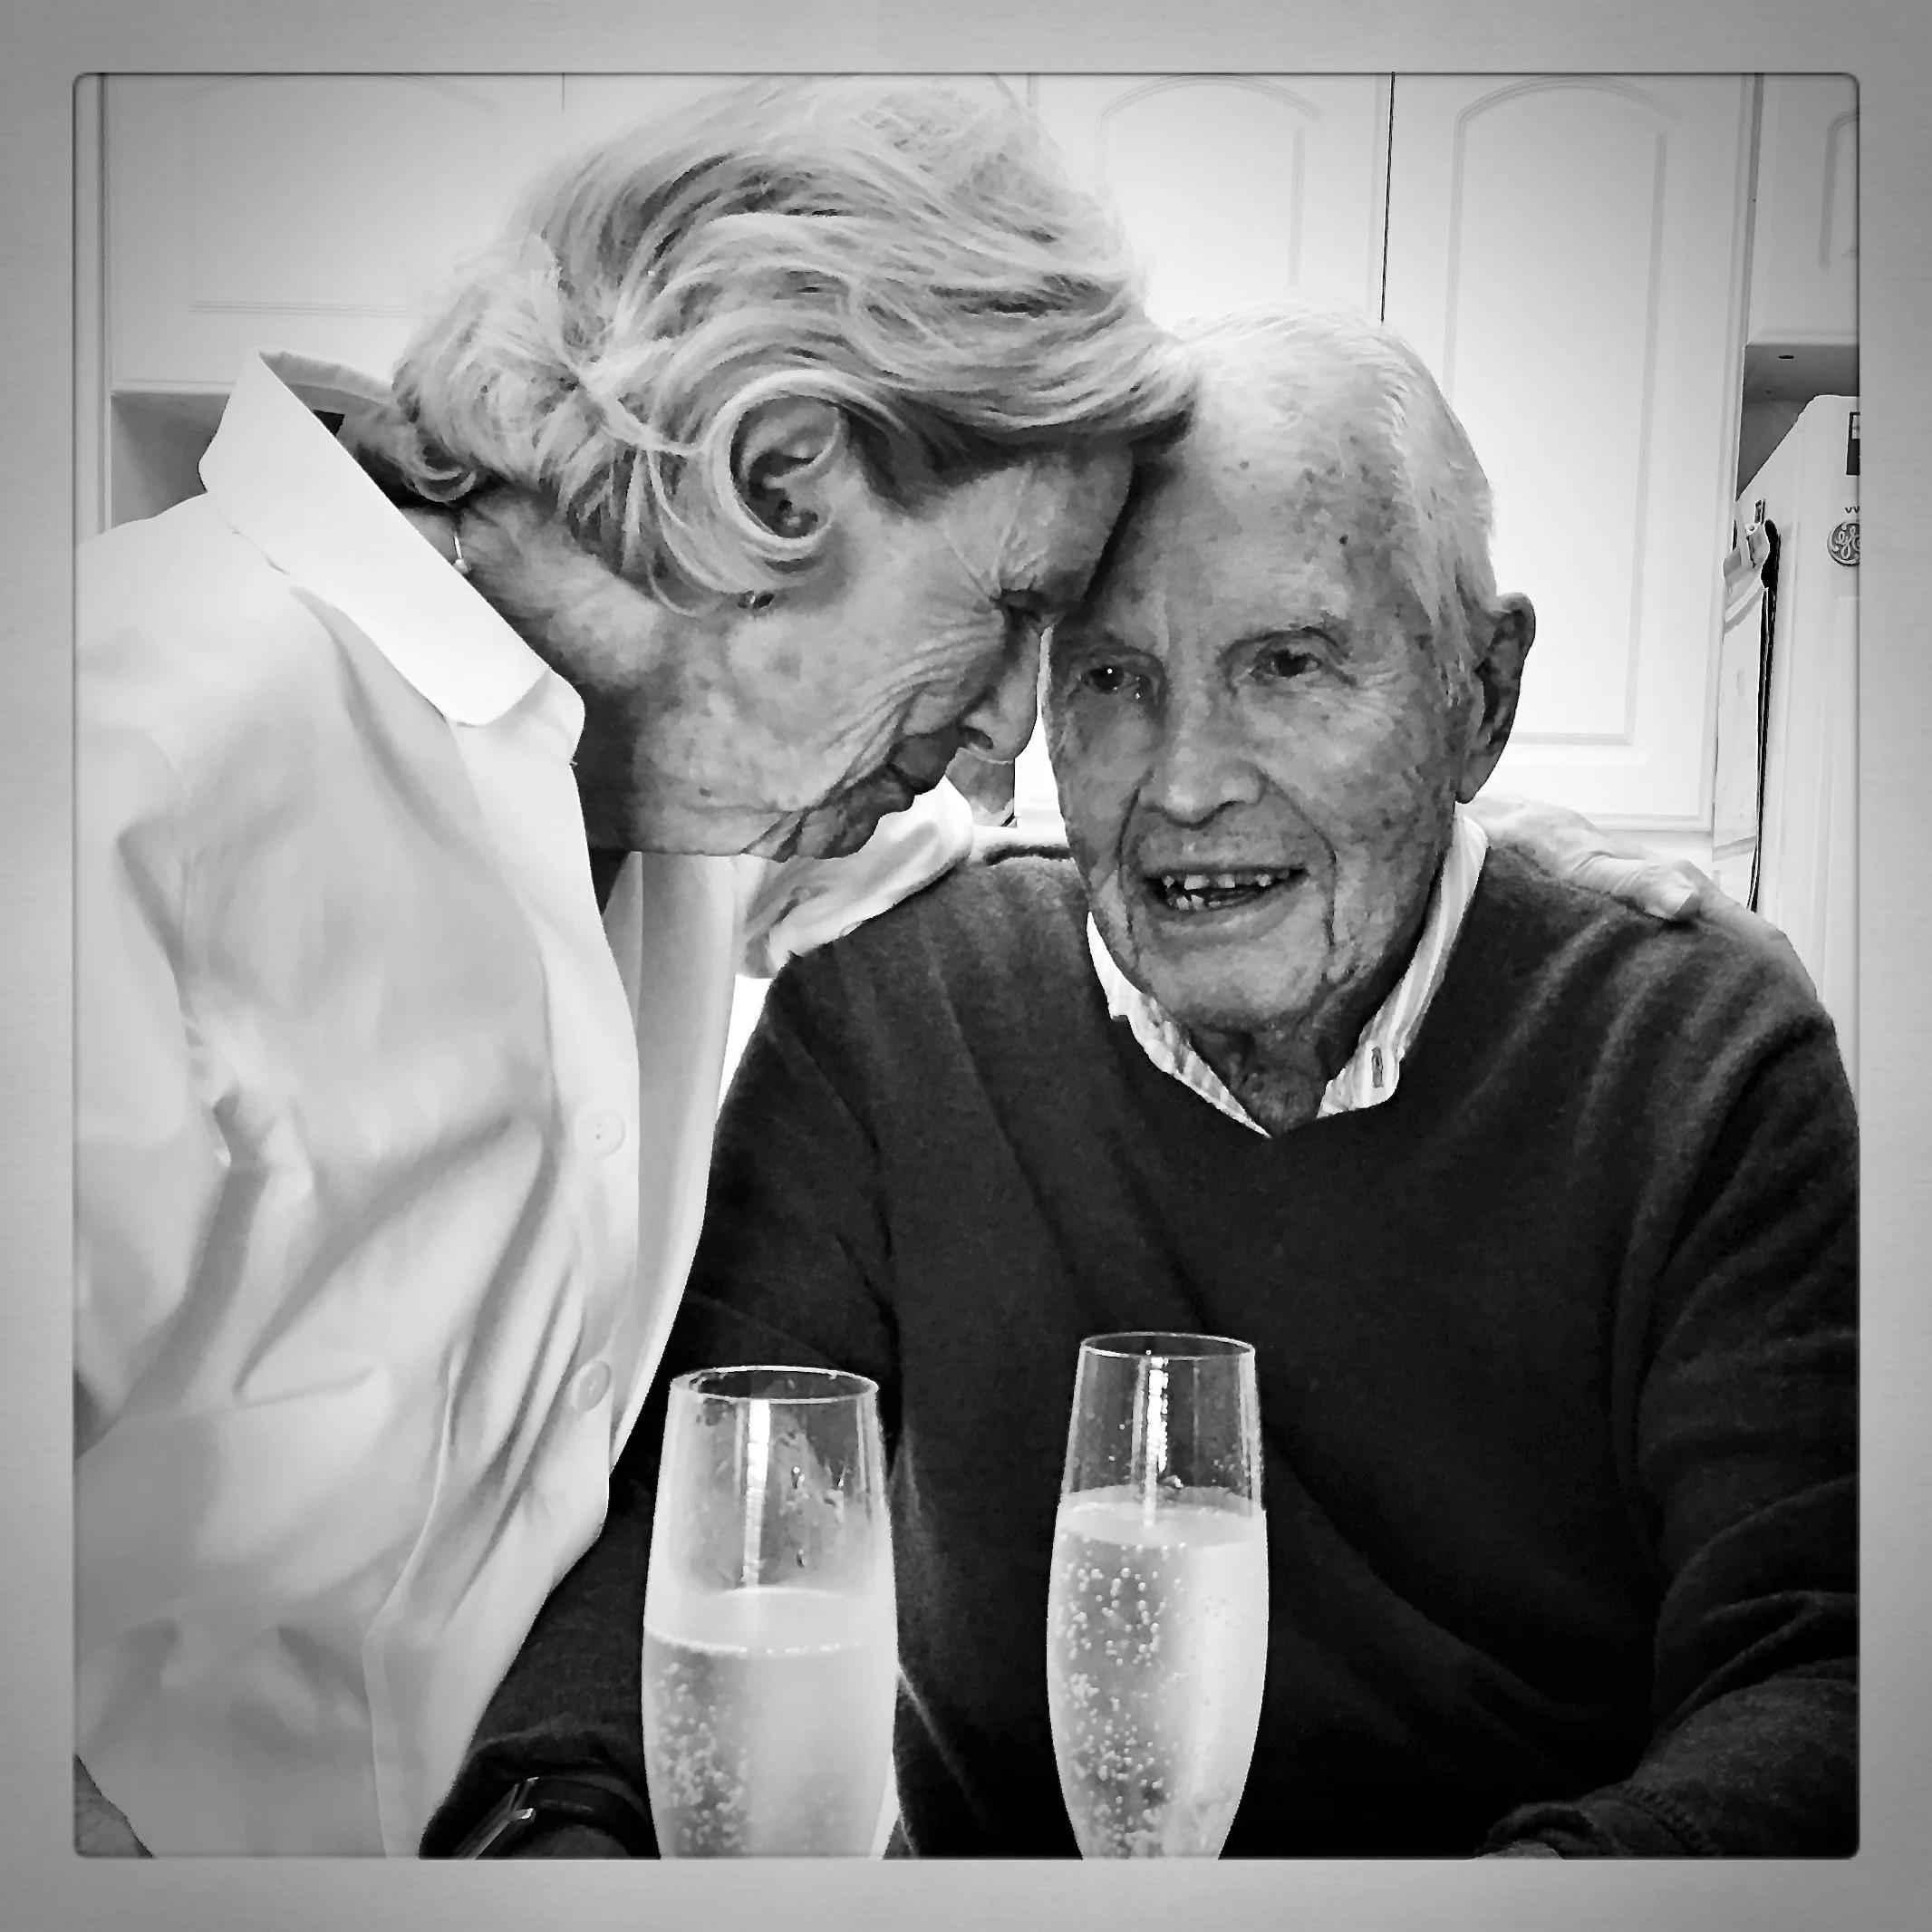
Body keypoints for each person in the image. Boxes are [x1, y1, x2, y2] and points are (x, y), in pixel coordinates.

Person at [427, 301, 1856, 1860]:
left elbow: (1826, 1667)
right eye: (1110, 678)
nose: (1185, 783)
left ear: (1481, 699)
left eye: (1288, 665)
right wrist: (556, 1822)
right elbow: (692, 1525)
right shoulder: (898, 1009)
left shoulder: (1698, 1051)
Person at [73, 75, 1198, 1856]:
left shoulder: (682, 766)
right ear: (775, 475)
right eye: (1013, 611)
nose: (1006, 743)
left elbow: (1030, 867)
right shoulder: (110, 778)